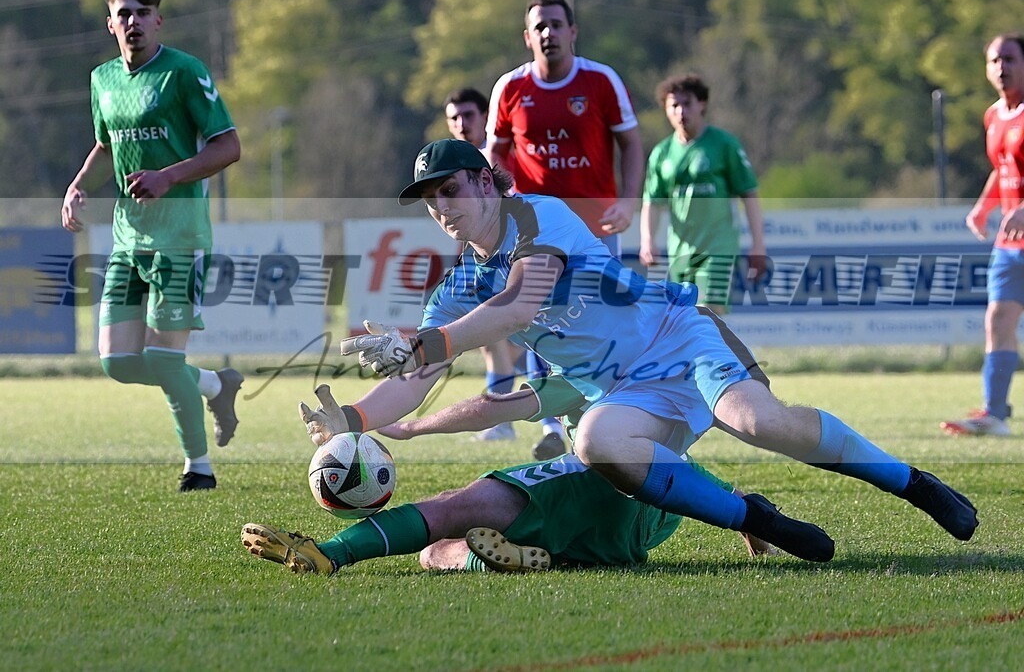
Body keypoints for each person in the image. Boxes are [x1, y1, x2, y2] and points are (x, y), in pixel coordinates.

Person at [337, 139, 978, 561]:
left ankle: (912, 482)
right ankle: (751, 516)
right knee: (595, 441)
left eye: (450, 190)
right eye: (430, 200)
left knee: (759, 422)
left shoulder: (537, 214)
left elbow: (520, 304)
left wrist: (423, 343)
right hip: (624, 390)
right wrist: (355, 419)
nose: (441, 208)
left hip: (679, 335)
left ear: (486, 183)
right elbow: (419, 375)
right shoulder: (455, 288)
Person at [240, 384, 774, 575]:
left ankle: (332, 553)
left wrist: (391, 425)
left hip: (592, 479)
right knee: (438, 552)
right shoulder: (674, 369)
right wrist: (751, 517)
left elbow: (485, 409)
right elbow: (712, 487)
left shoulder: (589, 364)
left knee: (453, 507)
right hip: (637, 528)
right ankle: (495, 558)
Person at [60, 0, 243, 492]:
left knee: (163, 360)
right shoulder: (102, 79)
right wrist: (77, 186)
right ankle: (212, 383)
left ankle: (199, 467)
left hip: (181, 237)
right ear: (110, 24)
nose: (134, 21)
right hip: (128, 238)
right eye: (125, 14)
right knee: (117, 362)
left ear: (159, 21)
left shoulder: (184, 72)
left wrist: (168, 176)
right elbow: (104, 145)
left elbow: (229, 146)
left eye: (143, 13)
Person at [485, 0, 645, 460]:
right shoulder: (510, 88)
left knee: (599, 317)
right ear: (528, 37)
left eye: (557, 25)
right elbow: (493, 154)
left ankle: (612, 409)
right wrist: (505, 203)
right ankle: (555, 423)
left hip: (595, 226)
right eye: (541, 27)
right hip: (534, 232)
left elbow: (631, 144)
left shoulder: (600, 80)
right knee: (538, 316)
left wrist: (628, 201)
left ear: (573, 32)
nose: (549, 33)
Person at [941, 33, 1024, 438]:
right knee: (998, 319)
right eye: (994, 60)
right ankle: (995, 414)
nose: (1001, 67)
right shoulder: (993, 116)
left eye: (1009, 58)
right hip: (1011, 242)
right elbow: (1003, 168)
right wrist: (983, 205)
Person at [639, 74, 768, 315]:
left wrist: (758, 244)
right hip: (680, 249)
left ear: (702, 104)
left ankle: (715, 354)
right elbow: (652, 202)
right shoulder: (662, 153)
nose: (681, 111)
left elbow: (749, 193)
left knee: (708, 310)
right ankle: (708, 354)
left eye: (687, 103)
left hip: (718, 246)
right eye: (674, 105)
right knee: (687, 316)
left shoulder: (724, 144)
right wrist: (648, 239)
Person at [444, 87, 520, 442]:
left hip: (519, 254)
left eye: (468, 115)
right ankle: (504, 417)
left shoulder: (498, 155)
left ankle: (506, 417)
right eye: (454, 117)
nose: (461, 123)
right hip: (486, 261)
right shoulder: (457, 164)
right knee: (495, 341)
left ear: (486, 117)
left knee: (504, 336)